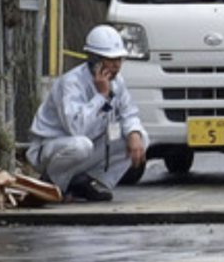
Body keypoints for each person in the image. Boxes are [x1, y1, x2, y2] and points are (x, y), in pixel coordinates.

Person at [28, 25, 148, 202]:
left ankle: (89, 183)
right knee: (81, 145)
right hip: (54, 149)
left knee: (140, 138)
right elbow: (77, 129)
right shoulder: (71, 83)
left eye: (119, 60)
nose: (116, 66)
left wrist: (134, 134)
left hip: (89, 146)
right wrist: (101, 96)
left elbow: (129, 112)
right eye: (111, 60)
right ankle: (53, 185)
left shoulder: (117, 82)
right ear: (95, 60)